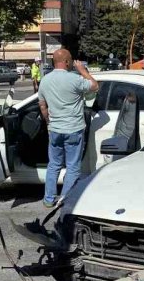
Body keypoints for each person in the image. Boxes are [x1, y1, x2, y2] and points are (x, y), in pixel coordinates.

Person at [37, 48, 99, 207]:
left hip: (55, 130)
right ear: (66, 62)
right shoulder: (75, 79)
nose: (72, 63)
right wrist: (83, 70)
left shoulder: (45, 80)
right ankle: (65, 200)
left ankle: (49, 199)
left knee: (53, 165)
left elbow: (43, 106)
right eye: (71, 60)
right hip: (73, 130)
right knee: (72, 167)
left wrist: (49, 122)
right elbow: (94, 86)